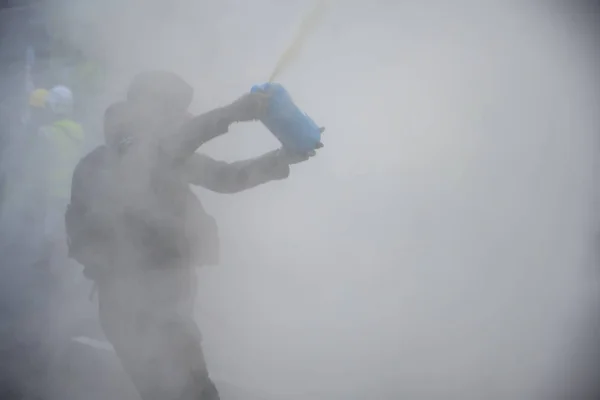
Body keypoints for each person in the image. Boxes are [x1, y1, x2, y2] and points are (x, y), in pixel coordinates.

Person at [66, 70, 322, 400]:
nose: (183, 116)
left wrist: (281, 158)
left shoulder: (161, 153)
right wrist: (233, 112)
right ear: (151, 110)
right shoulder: (122, 156)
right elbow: (165, 150)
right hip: (136, 306)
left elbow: (225, 177)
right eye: (175, 110)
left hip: (166, 303)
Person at [40, 85, 85, 271]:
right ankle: (71, 264)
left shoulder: (46, 132)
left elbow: (40, 161)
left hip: (54, 188)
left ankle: (48, 262)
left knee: (51, 228)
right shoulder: (78, 130)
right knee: (71, 225)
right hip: (73, 187)